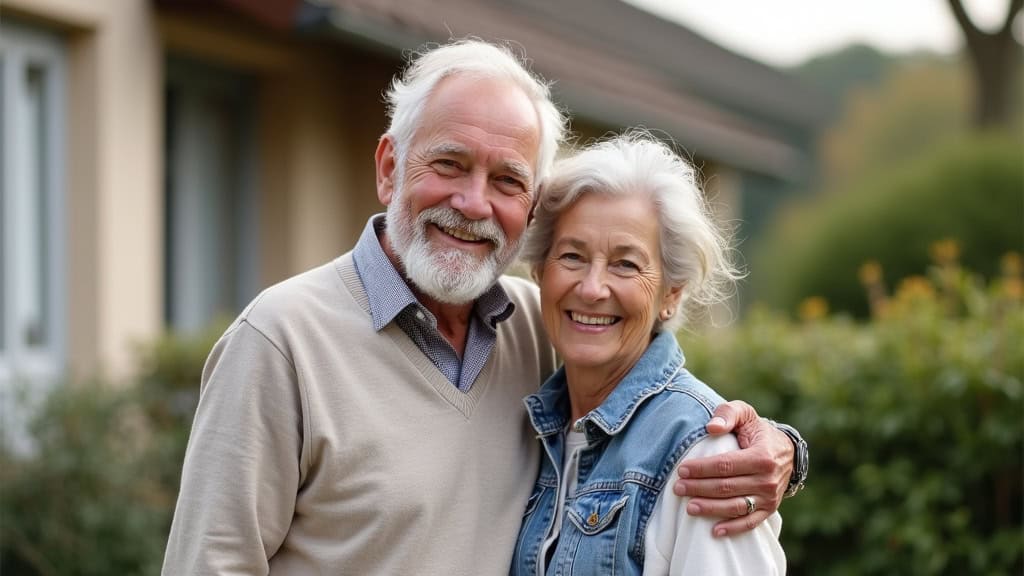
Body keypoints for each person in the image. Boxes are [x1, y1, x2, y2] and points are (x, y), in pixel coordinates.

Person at [162, 39, 805, 575]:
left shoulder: (537, 325)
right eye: (449, 163)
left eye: (506, 180)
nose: (473, 203)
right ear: (390, 167)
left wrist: (778, 449)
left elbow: (649, 400)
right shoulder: (281, 341)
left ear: (529, 207)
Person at [511, 131, 785, 575]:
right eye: (572, 256)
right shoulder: (540, 428)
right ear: (540, 271)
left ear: (671, 294)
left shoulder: (705, 455)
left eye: (626, 264)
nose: (593, 287)